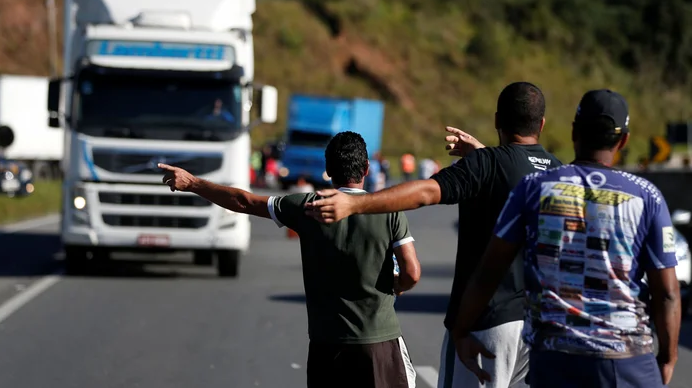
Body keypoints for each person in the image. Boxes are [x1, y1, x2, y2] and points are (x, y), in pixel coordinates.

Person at [305, 82, 562, 388]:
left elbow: (427, 192)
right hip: (540, 326)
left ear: (497, 120)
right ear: (542, 124)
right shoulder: (558, 172)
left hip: (487, 322)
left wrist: (356, 202)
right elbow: (515, 177)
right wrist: (483, 155)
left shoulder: (487, 164)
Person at [452, 89, 681, 388]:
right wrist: (667, 358)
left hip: (557, 361)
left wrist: (461, 330)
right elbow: (667, 294)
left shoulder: (534, 188)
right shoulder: (647, 196)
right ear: (623, 141)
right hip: (629, 364)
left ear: (574, 132)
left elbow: (488, 272)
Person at [158, 131, 421, 388]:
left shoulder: (306, 207)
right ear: (366, 169)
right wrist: (398, 284)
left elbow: (244, 201)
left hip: (326, 345)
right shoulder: (389, 210)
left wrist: (193, 183)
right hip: (380, 343)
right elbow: (412, 273)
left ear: (328, 170)